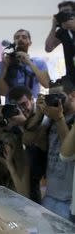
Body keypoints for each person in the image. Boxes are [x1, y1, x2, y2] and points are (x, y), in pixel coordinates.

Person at [37, 77, 75, 220]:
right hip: (50, 194)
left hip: (69, 199)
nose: (56, 101)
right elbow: (35, 142)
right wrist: (39, 114)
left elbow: (69, 153)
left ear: (73, 95)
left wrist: (59, 119)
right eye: (52, 97)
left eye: (60, 97)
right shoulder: (50, 120)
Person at [8, 86, 47, 203]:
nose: (22, 110)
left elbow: (30, 140)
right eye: (17, 107)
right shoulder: (15, 116)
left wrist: (23, 123)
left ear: (32, 99)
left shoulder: (42, 112)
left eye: (24, 104)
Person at [0, 29, 50, 101]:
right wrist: (5, 67)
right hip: (13, 107)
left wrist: (29, 63)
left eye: (24, 37)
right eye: (17, 37)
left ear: (30, 42)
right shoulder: (3, 64)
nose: (20, 39)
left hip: (33, 107)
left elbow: (46, 84)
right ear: (13, 42)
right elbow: (3, 92)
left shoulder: (39, 63)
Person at [45, 1, 75, 82]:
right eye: (61, 12)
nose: (64, 14)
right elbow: (48, 48)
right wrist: (54, 26)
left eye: (67, 11)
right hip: (71, 76)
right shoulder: (63, 31)